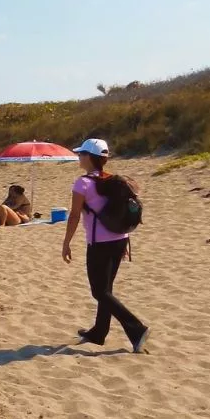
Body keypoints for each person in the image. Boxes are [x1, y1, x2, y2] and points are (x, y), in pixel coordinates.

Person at [62, 138, 149, 352]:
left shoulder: (82, 183)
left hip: (99, 243)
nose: (79, 157)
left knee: (99, 292)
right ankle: (99, 332)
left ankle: (136, 329)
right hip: (120, 239)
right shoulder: (114, 180)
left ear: (89, 158)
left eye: (81, 154)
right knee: (106, 289)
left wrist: (66, 243)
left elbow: (74, 215)